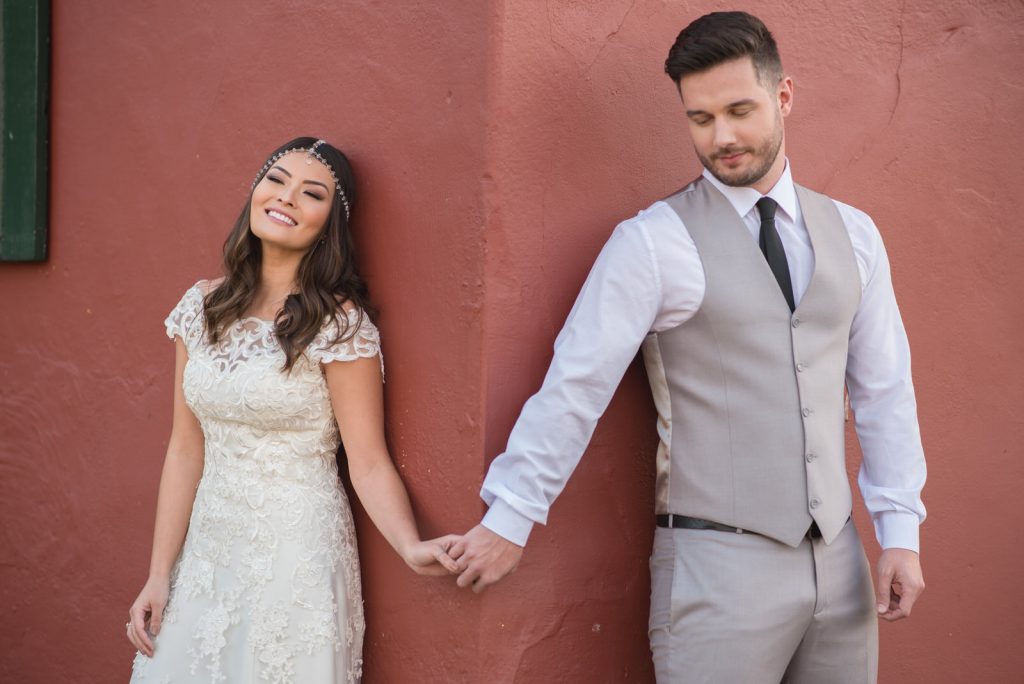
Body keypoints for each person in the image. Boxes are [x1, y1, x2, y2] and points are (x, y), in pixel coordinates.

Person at [449, 12, 926, 683]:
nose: (722, 137)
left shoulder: (855, 233)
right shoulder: (651, 242)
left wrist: (899, 532)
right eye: (700, 119)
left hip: (841, 564)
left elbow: (884, 390)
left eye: (739, 110)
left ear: (783, 96)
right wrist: (513, 516)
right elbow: (576, 384)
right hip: (717, 569)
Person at [126, 137, 459, 684]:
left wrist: (410, 544)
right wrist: (159, 574)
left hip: (294, 553)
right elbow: (185, 449)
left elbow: (368, 460)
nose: (286, 198)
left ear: (330, 224)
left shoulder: (338, 326)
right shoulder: (201, 308)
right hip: (207, 554)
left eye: (312, 193)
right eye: (276, 180)